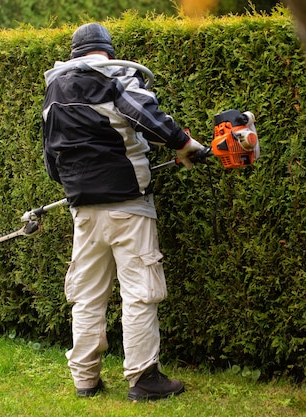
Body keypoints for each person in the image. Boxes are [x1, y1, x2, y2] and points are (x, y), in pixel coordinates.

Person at [41, 22, 207, 402]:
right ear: (107, 51)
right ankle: (144, 379)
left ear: (75, 54)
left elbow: (52, 159)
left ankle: (85, 378)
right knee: (140, 292)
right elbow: (143, 115)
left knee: (87, 294)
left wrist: (78, 186)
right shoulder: (116, 75)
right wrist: (185, 146)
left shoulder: (54, 89)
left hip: (82, 208)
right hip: (128, 206)